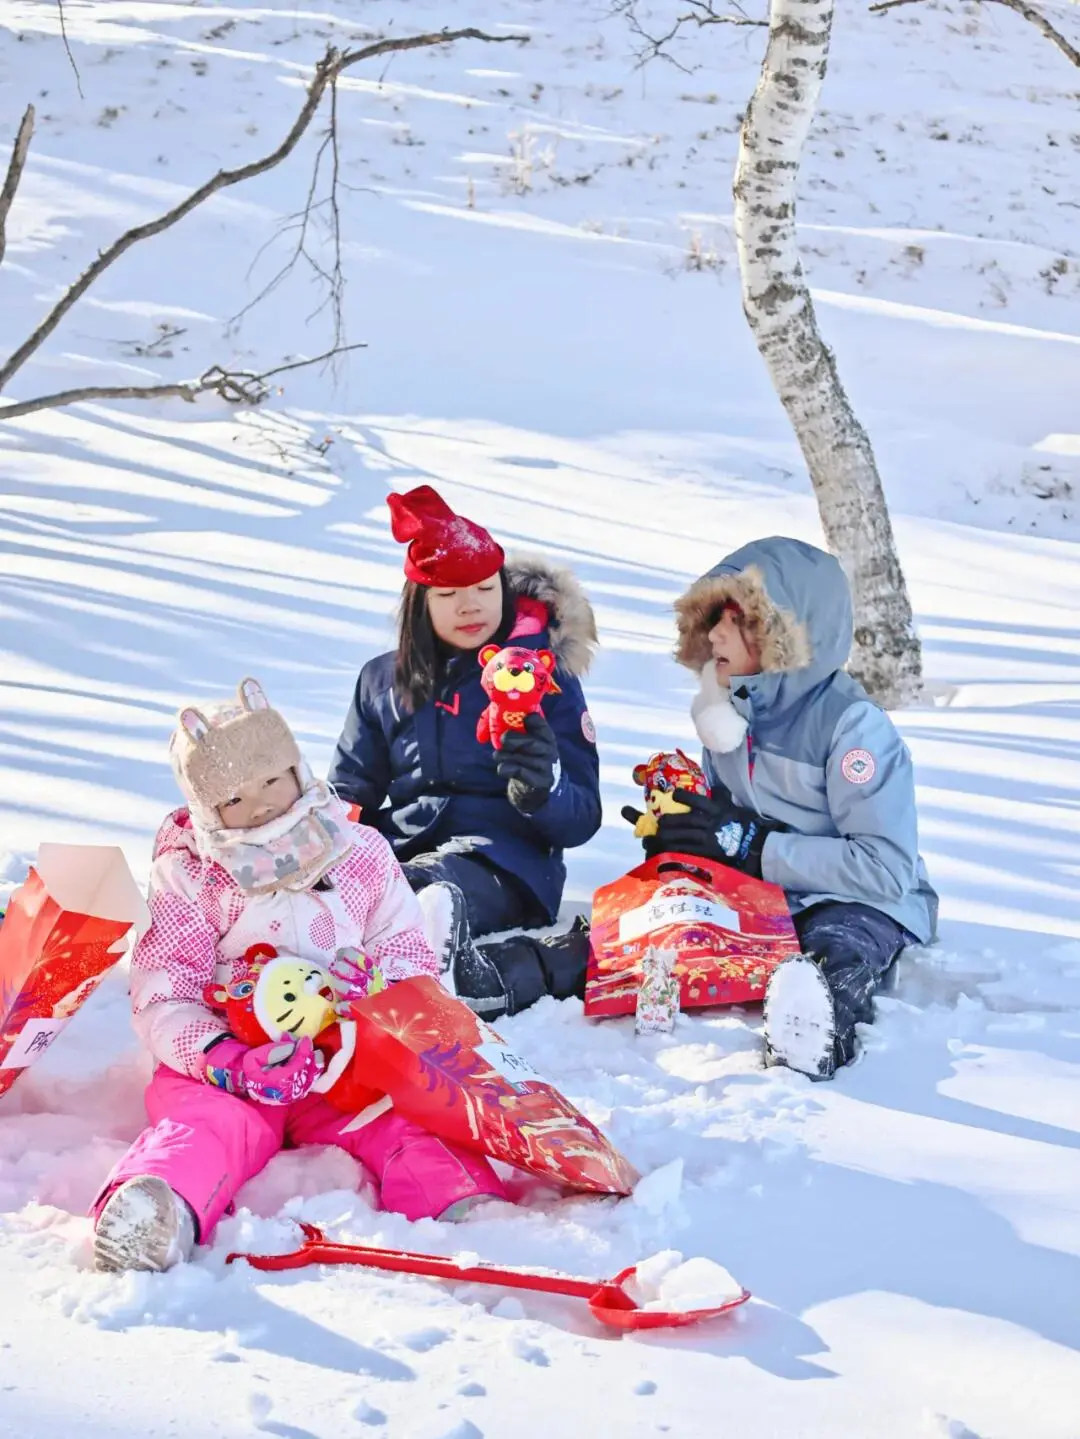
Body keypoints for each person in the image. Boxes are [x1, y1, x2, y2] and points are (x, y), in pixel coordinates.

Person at [91, 679, 507, 1274]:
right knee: (207, 1126)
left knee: (408, 1114)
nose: (259, 804)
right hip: (230, 1063)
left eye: (270, 781)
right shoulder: (192, 873)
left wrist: (377, 994)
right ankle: (157, 1208)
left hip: (348, 1057)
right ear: (207, 807)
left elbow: (407, 951)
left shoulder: (359, 852)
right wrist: (223, 1059)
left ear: (297, 770)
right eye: (234, 798)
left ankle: (461, 1204)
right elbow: (164, 989)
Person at [622, 536, 937, 1079]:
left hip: (858, 898)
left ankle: (817, 1030)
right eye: (712, 619)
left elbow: (885, 869)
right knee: (652, 920)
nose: (716, 634)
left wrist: (756, 848)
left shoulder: (853, 730)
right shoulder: (727, 709)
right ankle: (518, 972)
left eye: (739, 621)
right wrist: (687, 837)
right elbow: (731, 825)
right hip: (766, 892)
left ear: (788, 635)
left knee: (836, 947)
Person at [329, 485, 600, 1019]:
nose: (470, 605)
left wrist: (542, 789)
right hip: (398, 854)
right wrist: (315, 849)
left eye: (482, 588)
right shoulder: (381, 679)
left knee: (420, 894)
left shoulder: (540, 677)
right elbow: (350, 793)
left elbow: (582, 817)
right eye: (449, 594)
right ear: (420, 602)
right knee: (333, 901)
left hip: (508, 865)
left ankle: (437, 965)